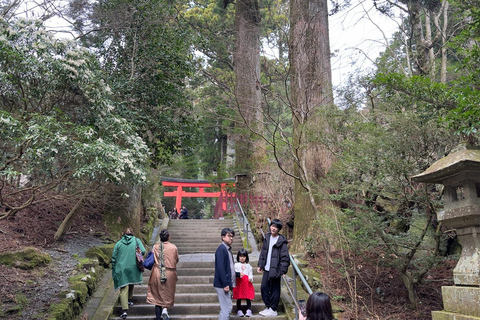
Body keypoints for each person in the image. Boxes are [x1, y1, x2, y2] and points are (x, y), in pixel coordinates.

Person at [257, 218, 290, 317]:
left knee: (275, 289)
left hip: (276, 269)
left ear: (279, 229)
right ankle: (268, 307)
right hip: (266, 268)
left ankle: (273, 309)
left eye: (276, 227)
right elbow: (263, 253)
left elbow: (285, 258)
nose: (273, 228)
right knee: (264, 287)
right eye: (272, 226)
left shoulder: (281, 241)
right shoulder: (267, 238)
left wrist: (283, 270)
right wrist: (260, 265)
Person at [112, 227, 146, 319]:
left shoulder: (118, 243)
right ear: (132, 233)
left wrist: (114, 268)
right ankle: (129, 300)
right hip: (133, 266)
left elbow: (114, 257)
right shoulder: (136, 240)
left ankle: (124, 311)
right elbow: (143, 251)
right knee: (131, 281)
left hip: (121, 268)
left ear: (123, 234)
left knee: (124, 288)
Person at [146, 229, 179, 320]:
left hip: (158, 271)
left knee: (157, 295)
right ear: (168, 237)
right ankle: (165, 309)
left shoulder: (156, 247)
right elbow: (176, 260)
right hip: (170, 272)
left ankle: (158, 317)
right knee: (168, 293)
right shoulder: (173, 248)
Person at [214, 227, 236, 320]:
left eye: (232, 236)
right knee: (226, 308)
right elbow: (220, 268)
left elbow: (229, 268)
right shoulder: (221, 249)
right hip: (222, 284)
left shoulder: (227, 250)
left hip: (225, 283)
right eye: (229, 236)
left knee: (225, 308)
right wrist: (225, 283)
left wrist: (237, 274)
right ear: (223, 237)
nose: (231, 238)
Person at [233, 248, 255, 317]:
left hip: (247, 283)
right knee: (239, 297)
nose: (242, 258)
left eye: (243, 256)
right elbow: (234, 273)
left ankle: (249, 310)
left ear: (246, 257)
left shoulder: (249, 266)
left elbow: (250, 274)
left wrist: (251, 278)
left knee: (247, 297)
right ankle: (239, 310)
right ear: (238, 257)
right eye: (240, 256)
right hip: (239, 283)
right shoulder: (236, 265)